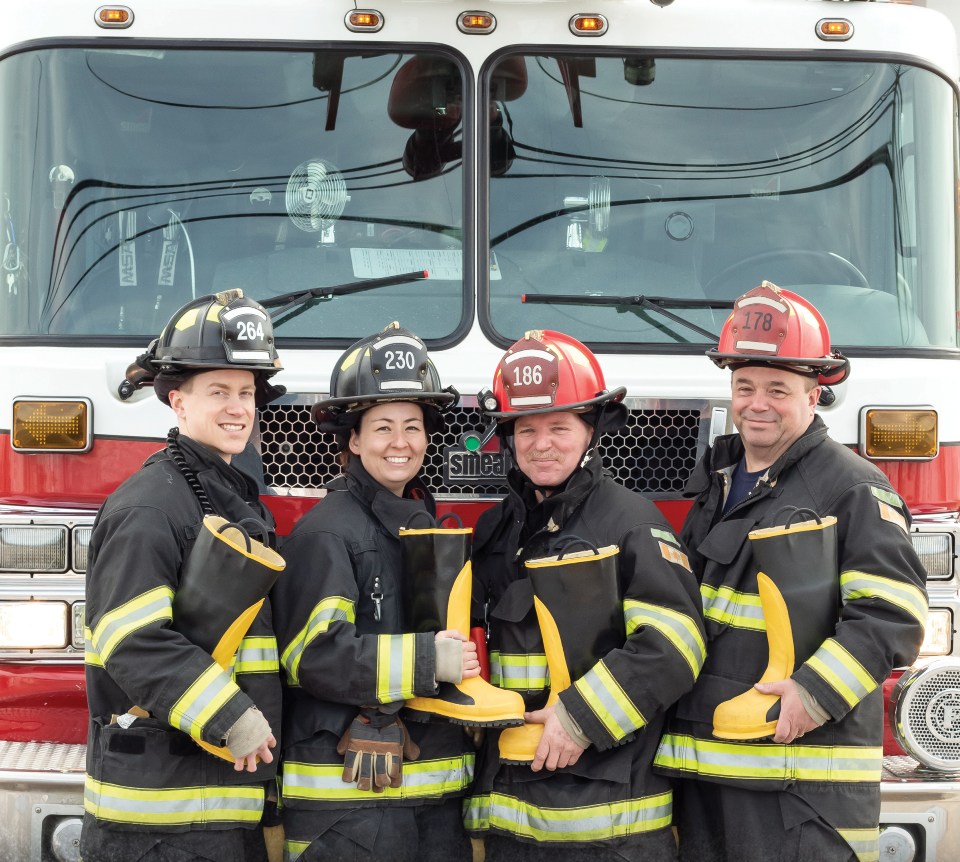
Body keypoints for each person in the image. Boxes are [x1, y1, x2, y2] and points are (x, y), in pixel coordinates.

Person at [653, 281, 928, 862]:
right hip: (709, 769)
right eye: (745, 386)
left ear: (813, 395)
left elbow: (892, 615)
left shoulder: (851, 486)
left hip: (798, 788)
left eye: (778, 388)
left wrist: (813, 692)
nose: (757, 402)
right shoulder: (718, 480)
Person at [464, 329, 707, 861]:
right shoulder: (494, 533)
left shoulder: (632, 524)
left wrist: (581, 717)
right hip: (515, 819)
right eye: (525, 429)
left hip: (613, 825)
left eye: (558, 426)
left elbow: (676, 643)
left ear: (591, 430)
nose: (541, 443)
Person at [81, 290, 286, 862]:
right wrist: (229, 714)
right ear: (178, 401)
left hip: (212, 805)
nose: (237, 407)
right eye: (218, 392)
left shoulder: (224, 494)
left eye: (245, 393)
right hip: (155, 823)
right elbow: (130, 638)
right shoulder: (152, 506)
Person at [271, 323, 479, 862]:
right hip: (347, 812)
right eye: (382, 427)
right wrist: (431, 659)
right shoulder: (328, 533)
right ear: (354, 440)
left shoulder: (417, 521)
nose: (400, 442)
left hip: (427, 801)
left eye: (412, 426)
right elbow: (311, 654)